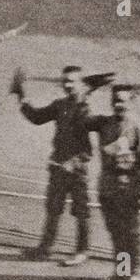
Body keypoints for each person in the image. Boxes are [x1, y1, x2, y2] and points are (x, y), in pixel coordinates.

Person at [11, 64, 100, 265]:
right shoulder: (60, 106)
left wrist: (74, 162)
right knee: (53, 209)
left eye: (72, 81)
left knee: (81, 212)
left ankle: (82, 251)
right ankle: (45, 249)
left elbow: (88, 151)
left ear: (80, 84)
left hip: (77, 172)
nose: (67, 85)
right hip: (58, 167)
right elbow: (36, 117)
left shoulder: (85, 111)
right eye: (65, 81)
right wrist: (21, 95)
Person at [88, 84, 140, 280]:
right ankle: (121, 272)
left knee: (129, 234)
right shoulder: (105, 124)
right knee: (115, 233)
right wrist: (87, 89)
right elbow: (81, 119)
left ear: (132, 102)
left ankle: (132, 274)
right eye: (115, 100)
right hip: (108, 187)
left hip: (129, 190)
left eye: (123, 100)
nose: (118, 104)